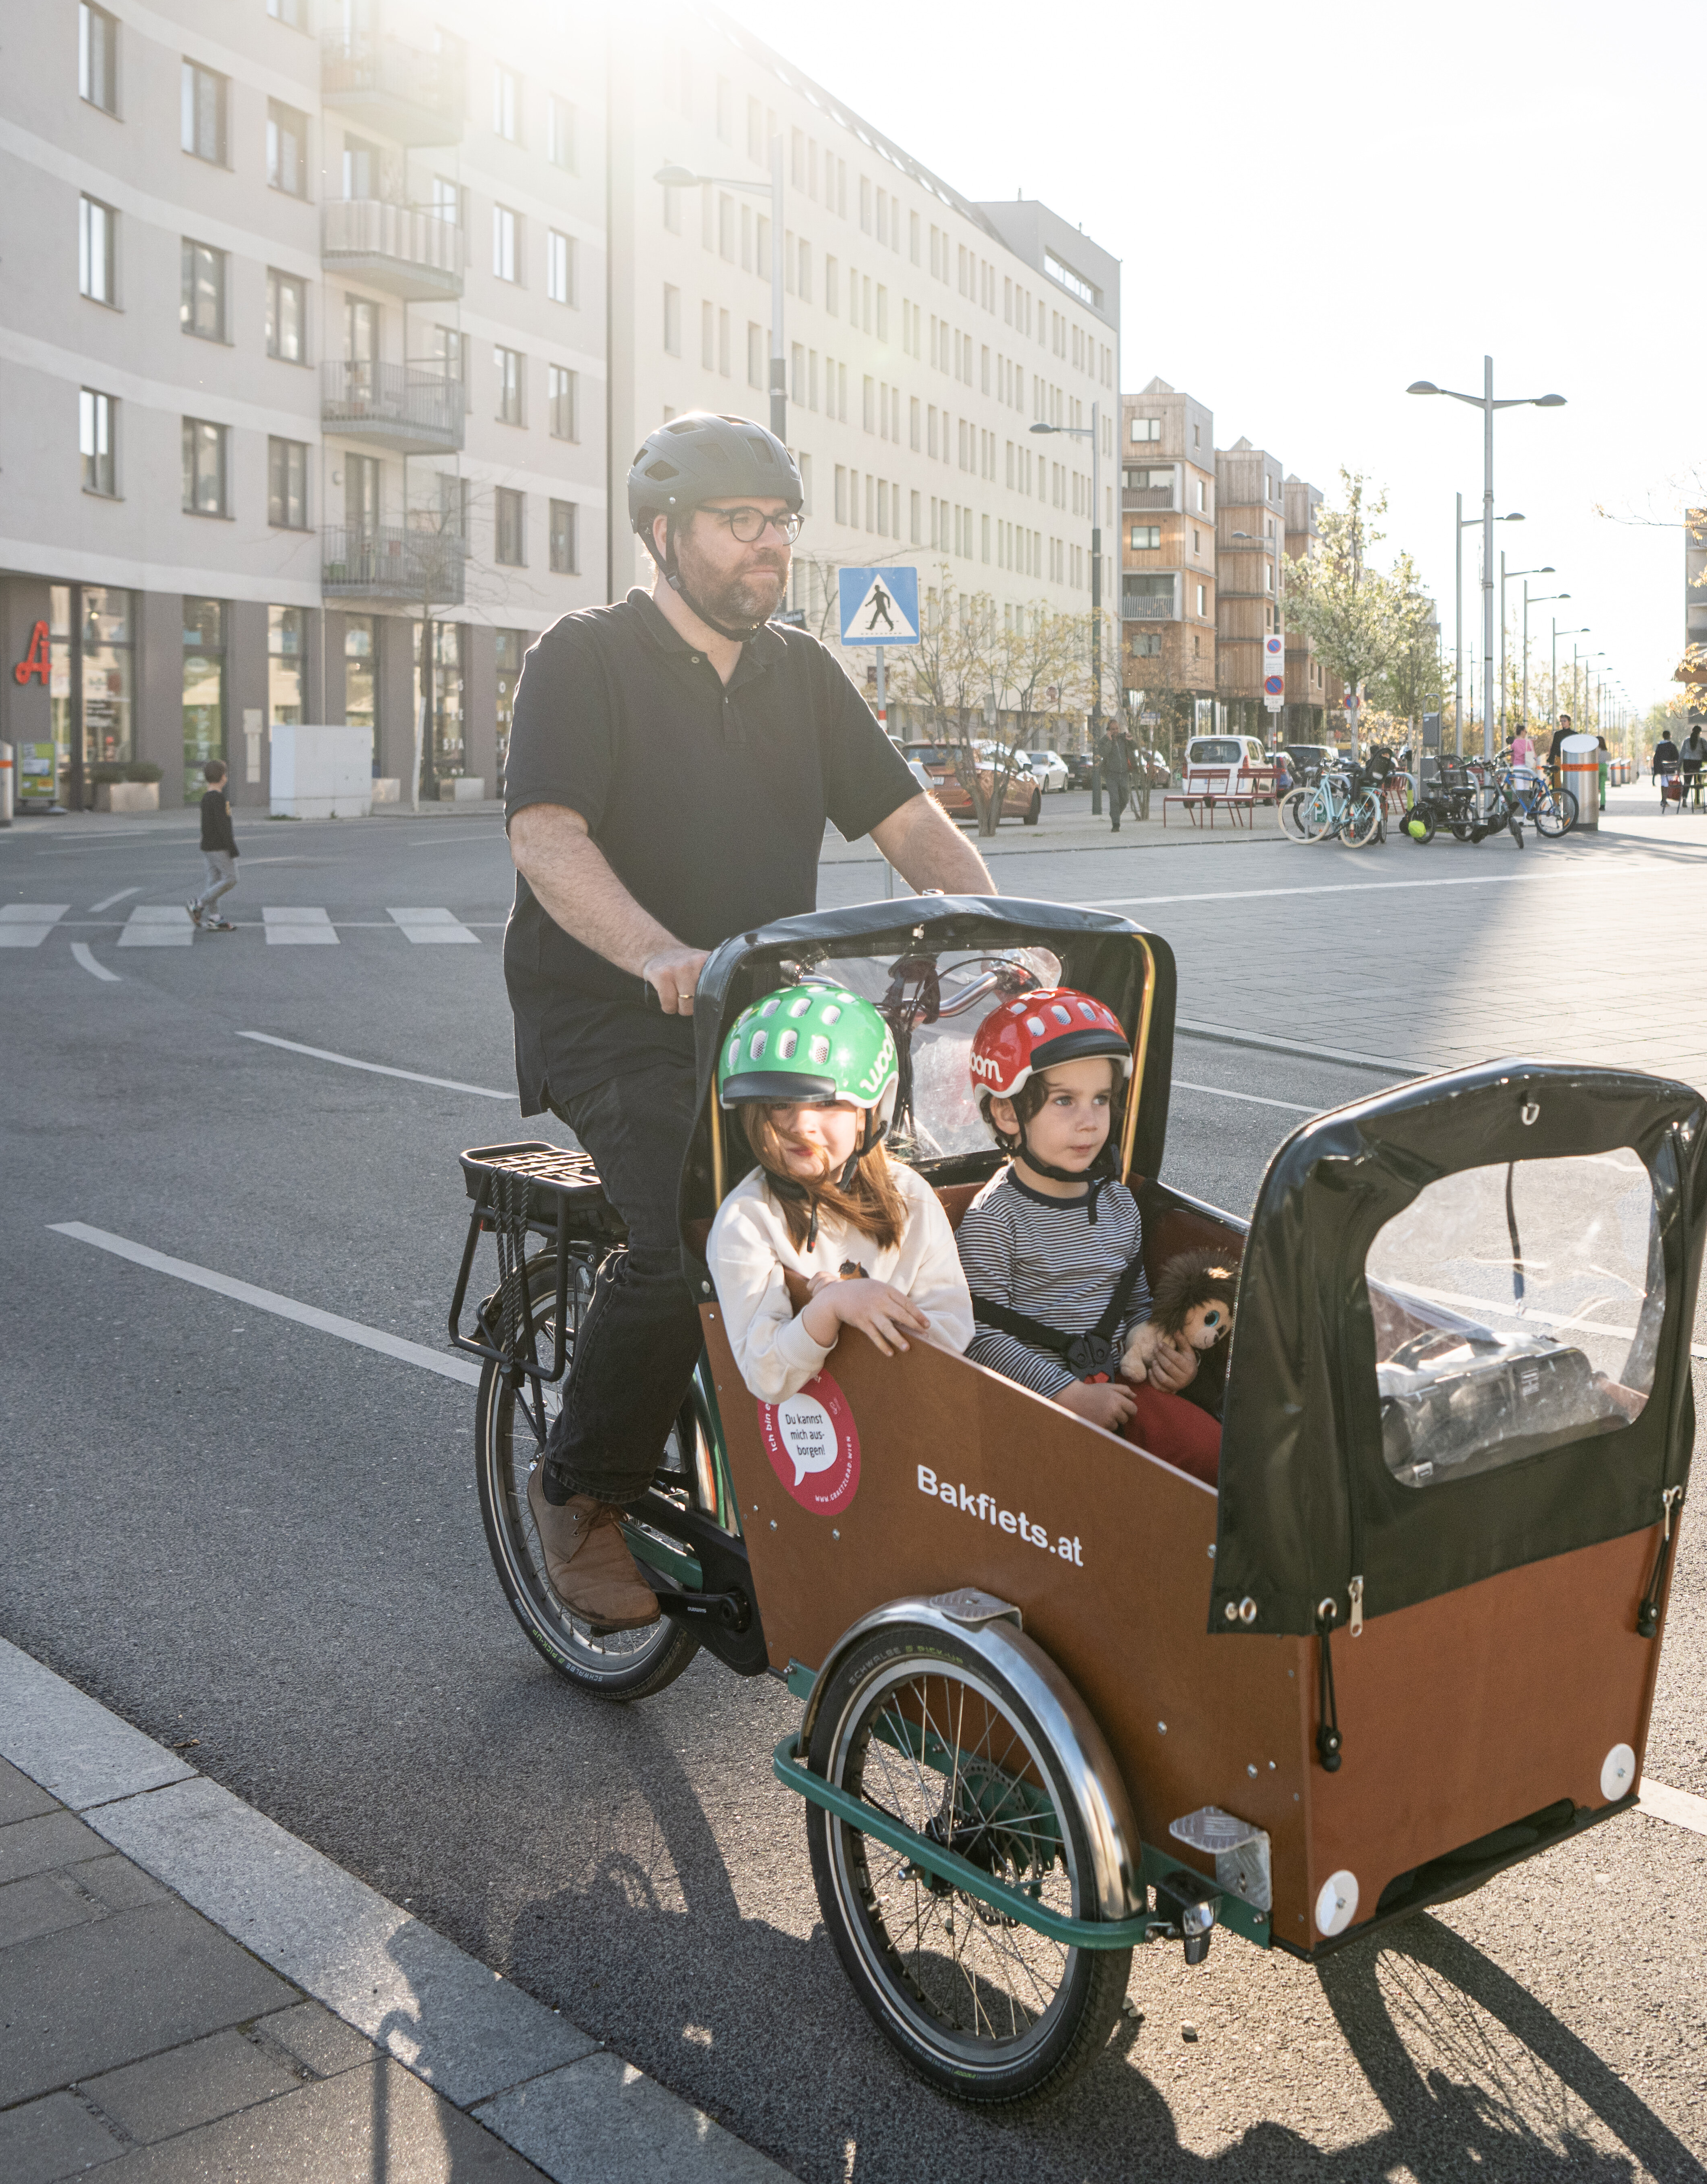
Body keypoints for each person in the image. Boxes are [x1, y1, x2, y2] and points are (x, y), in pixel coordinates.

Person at [503, 411, 994, 1633]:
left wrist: (1000, 938)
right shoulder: (584, 658)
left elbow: (909, 823)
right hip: (616, 1016)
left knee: (913, 1202)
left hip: (771, 1027)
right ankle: (579, 1489)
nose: (767, 545)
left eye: (779, 523)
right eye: (739, 523)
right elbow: (546, 836)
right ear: (664, 533)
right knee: (690, 1235)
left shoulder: (801, 673)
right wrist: (656, 954)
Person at [956, 987, 1218, 1482]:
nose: (1090, 1121)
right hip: (1037, 1408)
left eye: (1101, 1099)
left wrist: (1161, 1353)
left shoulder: (1118, 1203)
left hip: (1120, 1388)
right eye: (1064, 1100)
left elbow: (1136, 1305)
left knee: (1215, 1453)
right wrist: (1067, 1394)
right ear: (1008, 1113)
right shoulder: (995, 1218)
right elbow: (978, 1334)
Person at [704, 981, 972, 1406]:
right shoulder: (748, 1219)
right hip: (811, 1429)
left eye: (826, 1104)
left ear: (868, 1113)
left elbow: (953, 1332)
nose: (801, 1125)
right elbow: (766, 1373)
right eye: (779, 1105)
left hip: (912, 1411)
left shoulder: (910, 1197)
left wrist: (868, 1309)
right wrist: (829, 1308)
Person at [186, 758, 239, 932]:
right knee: (231, 879)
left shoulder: (206, 798)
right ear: (223, 777)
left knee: (214, 882)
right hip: (219, 846)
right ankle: (199, 904)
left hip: (208, 846)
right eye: (226, 774)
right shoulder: (219, 799)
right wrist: (232, 848)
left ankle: (215, 918)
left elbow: (207, 825)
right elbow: (224, 827)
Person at [1098, 715, 1137, 831]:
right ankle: (1116, 824)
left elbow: (1135, 747)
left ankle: (1115, 814)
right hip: (1111, 775)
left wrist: (1131, 740)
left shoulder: (1123, 739)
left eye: (1117, 729)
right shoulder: (1104, 741)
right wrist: (1110, 741)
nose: (1116, 731)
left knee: (1125, 799)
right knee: (1114, 799)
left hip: (1124, 774)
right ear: (1109, 730)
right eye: (1113, 729)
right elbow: (1104, 753)